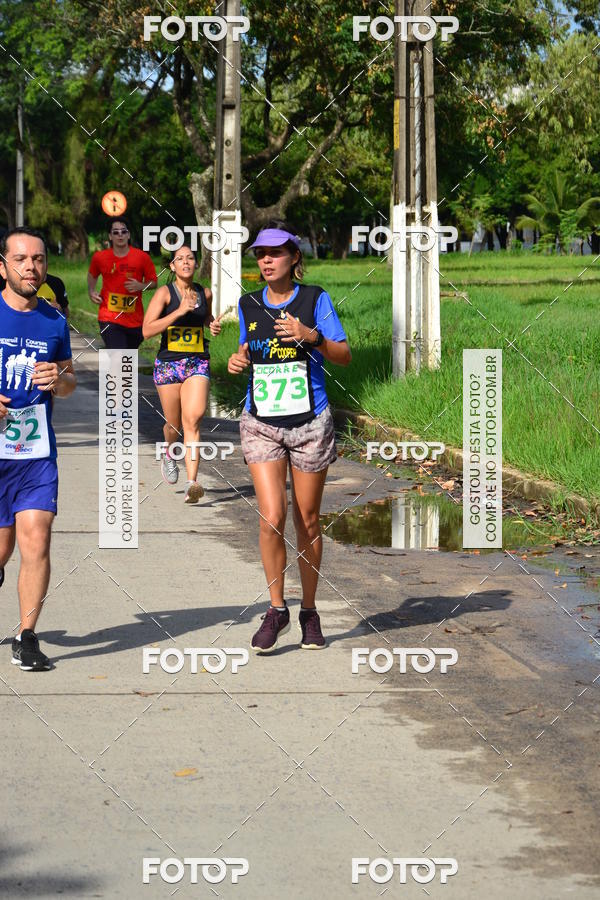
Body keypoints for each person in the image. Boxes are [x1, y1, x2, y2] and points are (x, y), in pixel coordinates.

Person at [227, 220, 351, 654]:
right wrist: (237, 362)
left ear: (294, 258)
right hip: (261, 422)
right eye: (260, 253)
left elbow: (344, 355)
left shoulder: (316, 299)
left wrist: (309, 336)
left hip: (309, 422)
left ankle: (309, 611)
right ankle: (277, 608)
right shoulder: (247, 304)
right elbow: (247, 349)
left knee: (308, 520)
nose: (266, 260)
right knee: (270, 516)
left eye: (275, 253)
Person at [0, 227, 76, 670]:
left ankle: (27, 635)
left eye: (39, 259)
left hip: (35, 452)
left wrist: (58, 381)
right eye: (22, 259)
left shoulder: (53, 319)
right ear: (4, 266)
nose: (32, 267)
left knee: (37, 538)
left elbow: (68, 382)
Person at [142, 245, 221, 503]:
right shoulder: (165, 294)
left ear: (196, 264)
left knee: (194, 419)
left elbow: (206, 318)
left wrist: (212, 324)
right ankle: (168, 452)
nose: (186, 262)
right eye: (180, 259)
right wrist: (178, 312)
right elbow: (147, 330)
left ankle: (192, 483)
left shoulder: (204, 292)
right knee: (173, 425)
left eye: (190, 258)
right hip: (169, 365)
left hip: (197, 362)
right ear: (172, 266)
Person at [88, 217, 157, 349]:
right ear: (110, 236)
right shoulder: (100, 257)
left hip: (134, 320)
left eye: (123, 231)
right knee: (118, 354)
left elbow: (153, 282)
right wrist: (91, 291)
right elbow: (92, 275)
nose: (120, 235)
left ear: (129, 234)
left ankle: (113, 370)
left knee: (126, 363)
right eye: (115, 232)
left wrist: (141, 286)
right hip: (108, 317)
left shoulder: (142, 257)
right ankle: (114, 368)